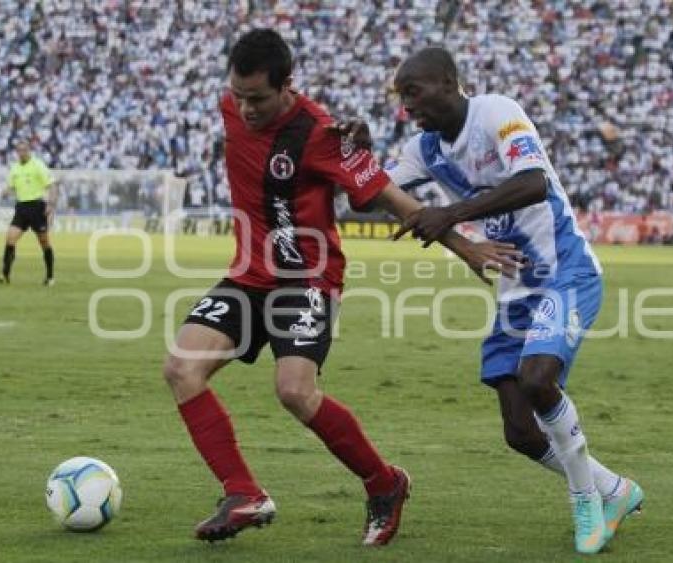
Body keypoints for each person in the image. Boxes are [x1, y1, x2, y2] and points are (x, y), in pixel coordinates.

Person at [163, 29, 522, 547]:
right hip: (247, 275)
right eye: (238, 96)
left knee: (293, 390)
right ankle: (243, 492)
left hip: (307, 278)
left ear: (288, 86)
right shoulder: (231, 105)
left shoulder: (320, 133)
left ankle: (385, 483)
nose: (244, 109)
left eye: (258, 99)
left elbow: (394, 200)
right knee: (180, 368)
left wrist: (465, 247)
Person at [349, 47, 643, 554]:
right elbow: (366, 197)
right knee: (520, 433)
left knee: (537, 378)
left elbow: (533, 183)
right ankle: (614, 490)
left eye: (413, 94)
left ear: (448, 82)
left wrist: (452, 214)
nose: (407, 108)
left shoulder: (496, 112)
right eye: (401, 100)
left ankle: (584, 500)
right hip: (516, 291)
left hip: (566, 272)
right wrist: (356, 158)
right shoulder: (425, 149)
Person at [0, 141, 57, 285]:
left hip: (37, 207)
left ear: (29, 151)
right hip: (21, 208)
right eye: (19, 151)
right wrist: (1, 192)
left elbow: (51, 185)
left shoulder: (38, 165)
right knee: (10, 238)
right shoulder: (15, 168)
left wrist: (51, 204)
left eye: (24, 150)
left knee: (44, 242)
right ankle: (4, 275)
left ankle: (50, 277)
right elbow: (10, 187)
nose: (21, 153)